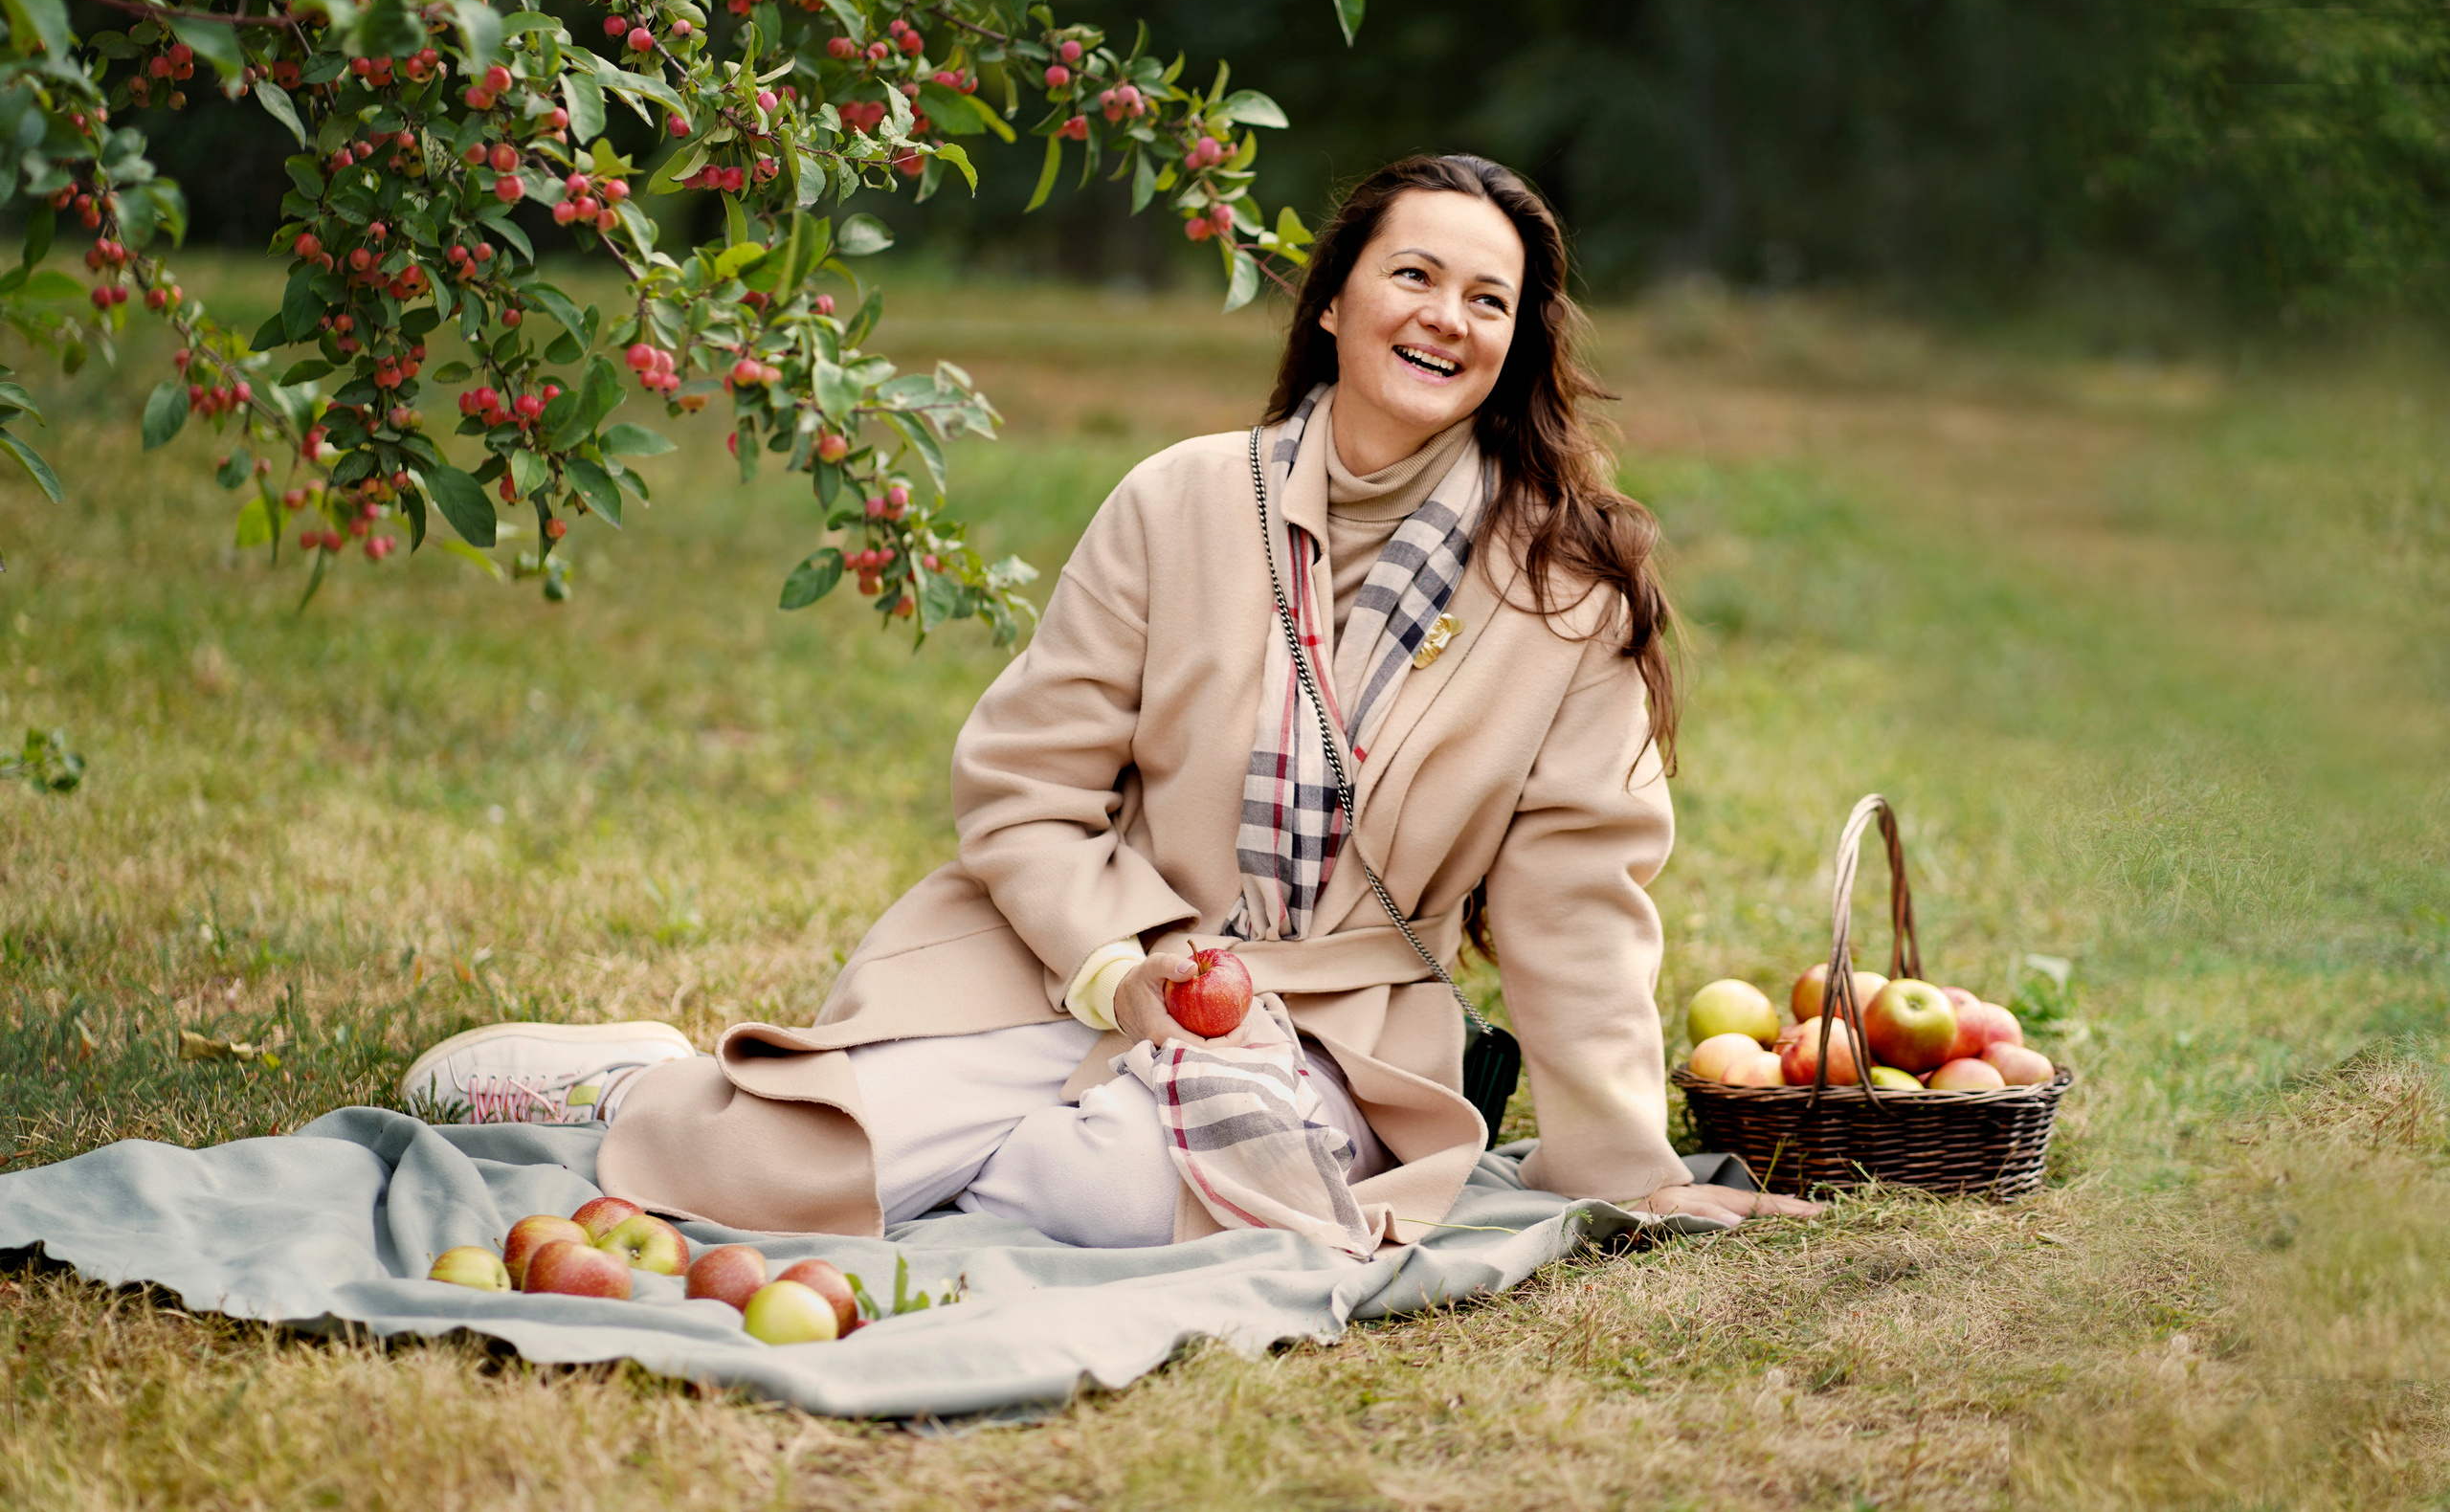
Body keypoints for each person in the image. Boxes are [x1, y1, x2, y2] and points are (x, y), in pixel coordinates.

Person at [400, 155, 1820, 1247]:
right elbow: (1026, 790)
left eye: (1487, 299)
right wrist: (1120, 971)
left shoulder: (1570, 585)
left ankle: (1029, 1144)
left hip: (1328, 1025)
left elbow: (1580, 903)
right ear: (1335, 300)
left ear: (1513, 343)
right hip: (1084, 965)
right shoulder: (1186, 498)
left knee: (1110, 1204)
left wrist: (1624, 1166)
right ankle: (643, 1087)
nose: (1444, 317)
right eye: (1413, 276)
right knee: (770, 1174)